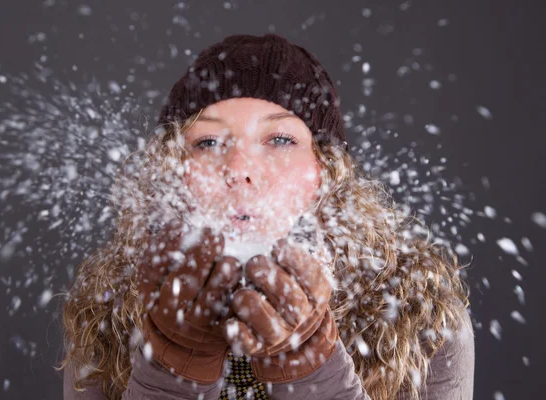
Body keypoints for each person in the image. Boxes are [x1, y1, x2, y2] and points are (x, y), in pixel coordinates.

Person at [58, 33, 475, 400]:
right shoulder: (108, 302)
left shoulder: (417, 309)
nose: (240, 168)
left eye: (279, 138)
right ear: (174, 173)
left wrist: (312, 370)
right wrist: (171, 370)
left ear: (325, 171)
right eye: (207, 141)